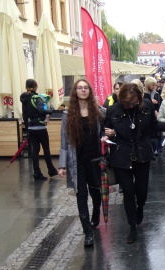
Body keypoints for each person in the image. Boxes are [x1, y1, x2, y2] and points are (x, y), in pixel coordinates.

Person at [103, 82, 165, 243]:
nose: (131, 105)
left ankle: (140, 208)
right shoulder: (113, 110)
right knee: (128, 191)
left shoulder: (146, 106)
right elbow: (104, 129)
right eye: (128, 103)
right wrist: (109, 133)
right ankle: (132, 226)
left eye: (134, 102)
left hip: (142, 153)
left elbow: (154, 126)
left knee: (142, 191)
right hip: (121, 155)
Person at [58, 79, 103, 247]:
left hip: (95, 160)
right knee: (81, 195)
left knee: (96, 192)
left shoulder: (98, 111)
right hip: (77, 161)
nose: (83, 90)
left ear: (89, 91)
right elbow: (64, 142)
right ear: (75, 92)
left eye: (85, 88)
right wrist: (62, 165)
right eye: (79, 88)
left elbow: (105, 131)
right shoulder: (68, 115)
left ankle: (96, 213)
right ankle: (87, 232)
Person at [20, 79, 58, 180]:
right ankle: (51, 170)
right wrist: (50, 111)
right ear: (35, 86)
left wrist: (28, 128)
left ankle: (37, 172)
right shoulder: (36, 98)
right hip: (40, 127)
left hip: (31, 128)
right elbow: (42, 110)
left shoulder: (24, 99)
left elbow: (24, 115)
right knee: (46, 149)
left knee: (35, 151)